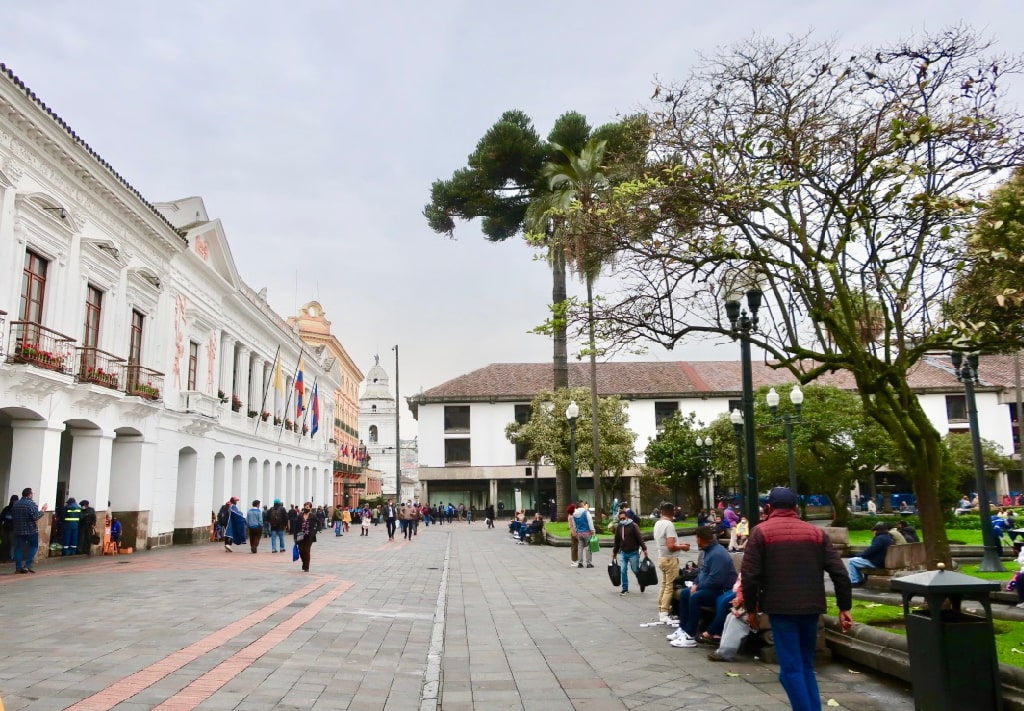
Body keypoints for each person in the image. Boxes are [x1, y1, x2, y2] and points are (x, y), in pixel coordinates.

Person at [741, 487, 853, 711]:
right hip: (811, 608)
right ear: (795, 508)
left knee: (790, 669)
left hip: (781, 608)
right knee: (805, 665)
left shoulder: (760, 532)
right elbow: (840, 573)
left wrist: (751, 610)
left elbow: (750, 576)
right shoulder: (817, 534)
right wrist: (844, 607)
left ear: (769, 508)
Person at [668, 526, 737, 648]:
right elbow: (702, 572)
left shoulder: (717, 554)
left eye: (696, 538)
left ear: (700, 539)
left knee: (696, 597)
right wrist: (695, 583)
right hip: (710, 587)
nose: (696, 541)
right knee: (685, 593)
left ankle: (690, 634)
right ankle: (683, 628)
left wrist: (699, 586)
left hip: (721, 590)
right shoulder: (708, 551)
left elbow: (717, 580)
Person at [653, 502, 690, 622]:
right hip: (670, 558)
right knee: (670, 586)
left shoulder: (657, 523)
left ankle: (661, 609)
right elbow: (670, 546)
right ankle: (664, 612)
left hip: (661, 557)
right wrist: (682, 547)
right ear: (672, 512)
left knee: (664, 585)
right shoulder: (669, 525)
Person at [611, 506, 648, 596]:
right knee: (623, 570)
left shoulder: (633, 525)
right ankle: (625, 589)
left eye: (624, 518)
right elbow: (617, 540)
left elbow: (640, 538)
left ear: (627, 517)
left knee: (635, 569)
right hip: (623, 552)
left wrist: (644, 549)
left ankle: (642, 582)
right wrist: (614, 552)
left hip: (633, 552)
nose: (622, 520)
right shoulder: (619, 526)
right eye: (621, 519)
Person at [12, 487, 49, 573]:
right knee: (34, 546)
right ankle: (27, 565)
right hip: (30, 530)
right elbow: (35, 517)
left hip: (19, 530)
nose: (33, 495)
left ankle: (18, 568)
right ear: (29, 494)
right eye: (32, 493)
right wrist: (43, 510)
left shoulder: (16, 504)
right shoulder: (31, 504)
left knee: (18, 548)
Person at [293, 501, 318, 572]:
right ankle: (304, 562)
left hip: (309, 536)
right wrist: (295, 537)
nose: (306, 508)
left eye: (308, 507)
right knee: (301, 551)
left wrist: (315, 531)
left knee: (307, 551)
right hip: (300, 535)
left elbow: (319, 523)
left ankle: (306, 567)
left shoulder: (313, 516)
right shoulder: (300, 516)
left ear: (310, 508)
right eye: (305, 507)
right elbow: (296, 526)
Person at [573, 501, 595, 569]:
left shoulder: (574, 514)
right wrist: (593, 530)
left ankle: (580, 563)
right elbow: (590, 522)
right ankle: (588, 563)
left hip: (579, 533)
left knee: (580, 548)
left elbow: (574, 524)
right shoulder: (586, 513)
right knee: (588, 548)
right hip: (587, 532)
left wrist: (576, 531)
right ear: (582, 505)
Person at [0, 494, 17, 562]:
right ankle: (5, 557)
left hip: (13, 529)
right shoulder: (7, 509)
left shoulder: (17, 509)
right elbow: (1, 517)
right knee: (5, 543)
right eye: (13, 500)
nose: (14, 502)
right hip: (5, 528)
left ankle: (11, 558)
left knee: (12, 543)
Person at [567, 503, 579, 567]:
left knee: (575, 547)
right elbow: (571, 526)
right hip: (573, 532)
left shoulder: (572, 515)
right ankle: (574, 560)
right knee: (574, 547)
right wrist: (574, 534)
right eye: (574, 508)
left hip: (575, 532)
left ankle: (575, 560)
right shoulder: (571, 516)